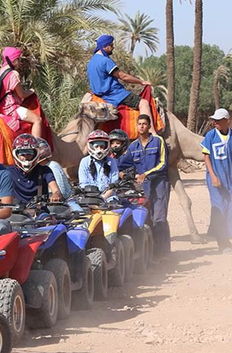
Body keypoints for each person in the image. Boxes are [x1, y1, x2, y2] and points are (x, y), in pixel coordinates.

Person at [118, 115, 170, 257]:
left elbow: (163, 164)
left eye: (144, 124)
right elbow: (120, 163)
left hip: (159, 183)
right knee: (148, 217)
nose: (141, 126)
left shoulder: (158, 141)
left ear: (149, 126)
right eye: (139, 124)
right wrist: (118, 172)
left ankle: (162, 254)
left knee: (159, 217)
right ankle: (153, 253)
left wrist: (145, 174)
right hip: (143, 187)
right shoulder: (133, 146)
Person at [201, 108, 232, 254]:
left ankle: (229, 238)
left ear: (227, 121)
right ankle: (222, 243)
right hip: (217, 179)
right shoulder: (210, 136)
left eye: (219, 120)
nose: (215, 123)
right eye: (214, 120)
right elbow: (206, 157)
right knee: (221, 209)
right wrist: (213, 176)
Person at [87, 35, 153, 121]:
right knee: (143, 103)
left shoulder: (91, 62)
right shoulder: (105, 61)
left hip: (98, 95)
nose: (113, 47)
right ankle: (150, 132)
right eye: (111, 45)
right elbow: (123, 76)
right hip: (115, 94)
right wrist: (141, 82)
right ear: (105, 46)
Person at [0, 47, 43, 139]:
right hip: (9, 109)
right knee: (37, 120)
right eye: (18, 59)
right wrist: (31, 91)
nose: (19, 62)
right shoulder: (13, 74)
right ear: (13, 60)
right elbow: (22, 94)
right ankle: (36, 146)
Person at [7, 134, 62, 206]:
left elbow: (56, 190)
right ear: (16, 154)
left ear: (36, 154)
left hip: (40, 211)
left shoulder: (45, 171)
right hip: (16, 213)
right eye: (22, 154)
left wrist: (56, 195)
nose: (26, 157)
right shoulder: (8, 172)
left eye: (29, 153)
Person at [78, 130, 120, 200]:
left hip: (108, 197)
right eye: (96, 146)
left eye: (102, 146)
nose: (99, 150)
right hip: (89, 197)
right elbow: (83, 184)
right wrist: (94, 198)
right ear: (91, 146)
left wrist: (102, 198)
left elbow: (114, 184)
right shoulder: (84, 162)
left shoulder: (111, 161)